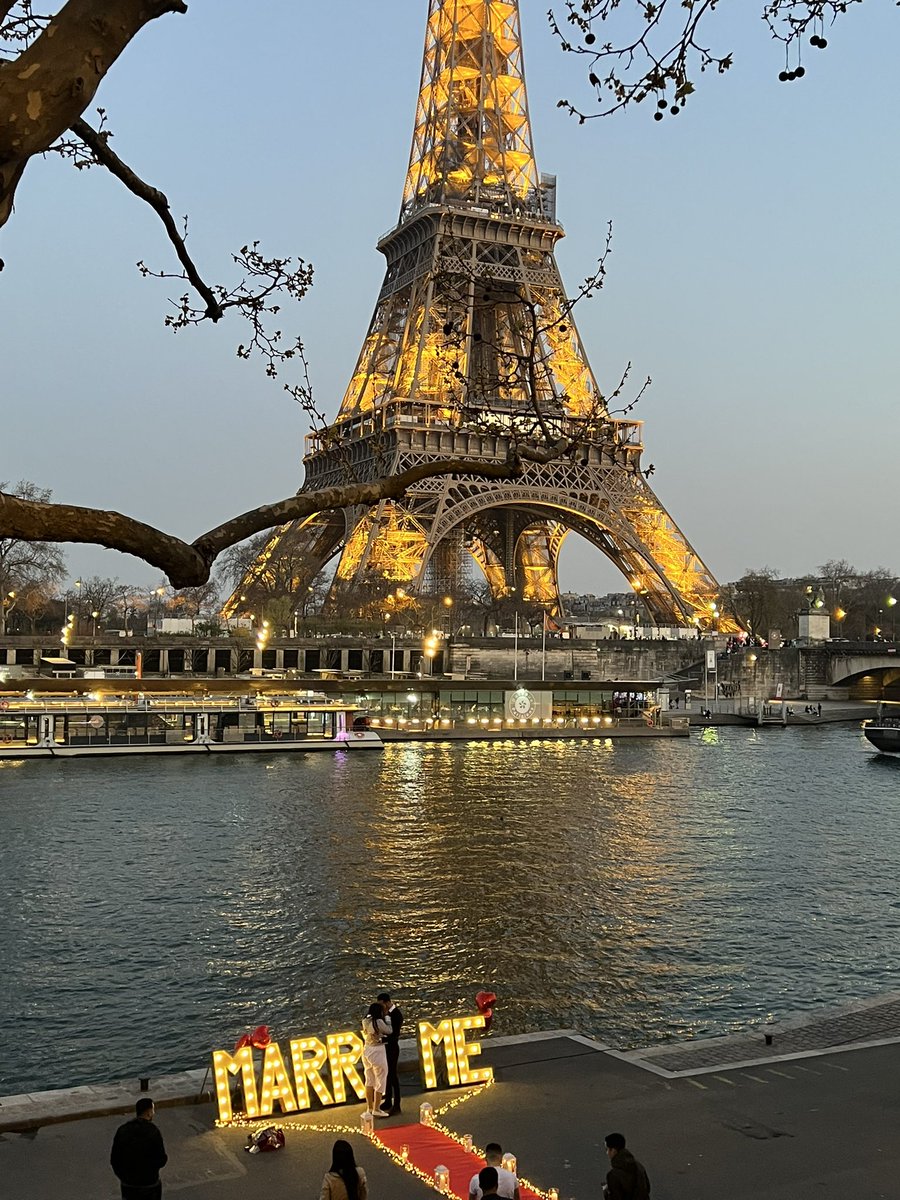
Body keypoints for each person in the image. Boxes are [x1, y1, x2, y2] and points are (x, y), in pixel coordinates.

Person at [110, 1097, 168, 1200]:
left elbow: (114, 1159)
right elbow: (161, 1159)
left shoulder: (122, 1130)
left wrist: (123, 1177)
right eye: (153, 1110)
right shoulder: (153, 1131)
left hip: (128, 1184)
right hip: (149, 1183)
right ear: (149, 1113)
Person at [361, 1000, 393, 1116]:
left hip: (366, 1050)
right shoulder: (378, 1021)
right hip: (377, 1051)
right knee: (381, 1079)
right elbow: (389, 1031)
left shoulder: (365, 1021)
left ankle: (369, 1107)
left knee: (369, 1079)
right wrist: (388, 1019)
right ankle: (377, 1108)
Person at [377, 990, 403, 1115]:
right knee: (386, 1075)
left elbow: (395, 1034)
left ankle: (397, 1104)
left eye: (381, 1004)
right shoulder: (386, 1013)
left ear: (387, 1003)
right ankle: (388, 1100)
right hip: (386, 1048)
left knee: (393, 1076)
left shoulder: (397, 1015)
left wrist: (382, 1039)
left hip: (392, 1048)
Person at [603, 1132, 650, 1200]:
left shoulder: (613, 1175)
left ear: (613, 1150)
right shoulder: (639, 1167)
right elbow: (647, 1189)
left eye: (607, 1149)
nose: (607, 1153)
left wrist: (606, 1193)